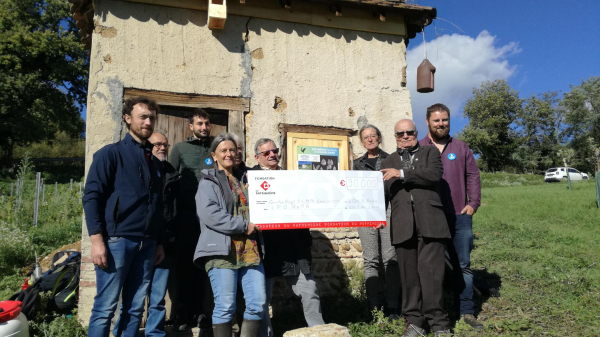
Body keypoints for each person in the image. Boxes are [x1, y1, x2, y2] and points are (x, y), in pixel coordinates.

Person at [83, 97, 165, 337]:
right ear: (128, 119)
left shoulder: (155, 163)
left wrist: (158, 241)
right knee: (105, 308)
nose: (148, 122)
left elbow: (156, 206)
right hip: (117, 241)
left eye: (151, 117)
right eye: (142, 117)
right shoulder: (110, 154)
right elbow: (92, 198)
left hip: (147, 243)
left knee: (134, 308)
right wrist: (97, 241)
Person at [381, 119, 451, 337]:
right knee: (409, 277)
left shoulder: (430, 153)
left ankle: (439, 324)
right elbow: (381, 193)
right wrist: (374, 214)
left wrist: (401, 174)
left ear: (416, 133)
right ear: (395, 137)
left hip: (431, 222)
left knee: (432, 275)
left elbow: (434, 175)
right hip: (403, 225)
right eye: (400, 133)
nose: (405, 136)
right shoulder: (388, 160)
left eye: (409, 132)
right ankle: (415, 323)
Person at [194, 133, 266, 337]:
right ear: (214, 156)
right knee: (225, 306)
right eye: (223, 150)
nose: (229, 154)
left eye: (232, 150)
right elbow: (211, 215)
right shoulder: (208, 182)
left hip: (250, 250)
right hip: (222, 251)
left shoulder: (245, 180)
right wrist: (244, 225)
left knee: (257, 303)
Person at [252, 138, 325, 337]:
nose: (272, 155)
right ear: (257, 157)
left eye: (274, 151)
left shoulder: (292, 177)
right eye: (266, 153)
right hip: (266, 247)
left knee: (310, 292)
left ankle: (319, 331)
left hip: (294, 246)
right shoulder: (250, 178)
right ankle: (265, 335)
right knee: (261, 299)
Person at [419, 103, 483, 329]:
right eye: (436, 120)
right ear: (427, 121)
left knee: (462, 264)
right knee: (431, 265)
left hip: (459, 215)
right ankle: (435, 312)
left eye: (444, 120)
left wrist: (473, 204)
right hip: (430, 217)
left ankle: (466, 310)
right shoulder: (419, 147)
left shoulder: (461, 147)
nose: (440, 124)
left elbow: (473, 176)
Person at [113, 132, 181, 337]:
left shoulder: (171, 172)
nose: (162, 148)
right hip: (141, 240)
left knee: (158, 298)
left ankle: (154, 334)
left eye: (165, 145)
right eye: (157, 144)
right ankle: (124, 333)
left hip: (165, 242)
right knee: (133, 297)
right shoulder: (140, 170)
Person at [168, 109, 214, 331]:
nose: (204, 127)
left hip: (211, 218)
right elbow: (170, 180)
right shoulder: (179, 149)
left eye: (206, 123)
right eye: (199, 123)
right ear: (191, 126)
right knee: (185, 265)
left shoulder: (215, 147)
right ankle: (182, 314)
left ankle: (203, 313)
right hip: (186, 216)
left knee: (207, 266)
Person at [353, 125, 400, 320]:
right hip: (365, 213)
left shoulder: (391, 159)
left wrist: (382, 214)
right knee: (370, 260)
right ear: (362, 142)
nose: (370, 139)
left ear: (379, 138)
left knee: (390, 259)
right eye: (366, 137)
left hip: (388, 210)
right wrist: (370, 214)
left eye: (373, 136)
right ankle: (374, 309)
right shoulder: (357, 163)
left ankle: (393, 308)